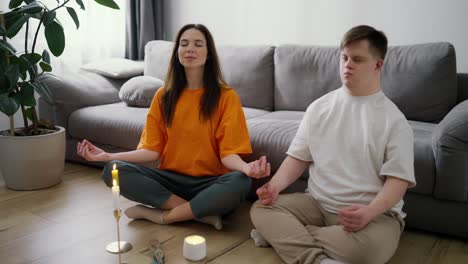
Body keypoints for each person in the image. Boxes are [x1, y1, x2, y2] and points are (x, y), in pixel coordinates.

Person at [77, 24, 270, 230]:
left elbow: (228, 155)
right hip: (171, 181)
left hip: (211, 184)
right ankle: (196, 213)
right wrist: (108, 156)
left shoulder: (226, 97)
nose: (189, 49)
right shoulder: (163, 96)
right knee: (112, 170)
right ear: (177, 52)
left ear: (209, 54)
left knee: (240, 182)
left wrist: (246, 168)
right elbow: (151, 151)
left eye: (198, 44)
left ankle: (162, 216)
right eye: (183, 44)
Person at [250, 25, 416, 264]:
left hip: (373, 216)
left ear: (378, 65)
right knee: (261, 209)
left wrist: (368, 213)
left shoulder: (395, 121)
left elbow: (398, 182)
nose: (348, 64)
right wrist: (275, 185)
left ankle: (284, 237)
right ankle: (317, 259)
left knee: (371, 251)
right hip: (316, 204)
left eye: (357, 59)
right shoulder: (319, 108)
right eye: (344, 57)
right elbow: (298, 157)